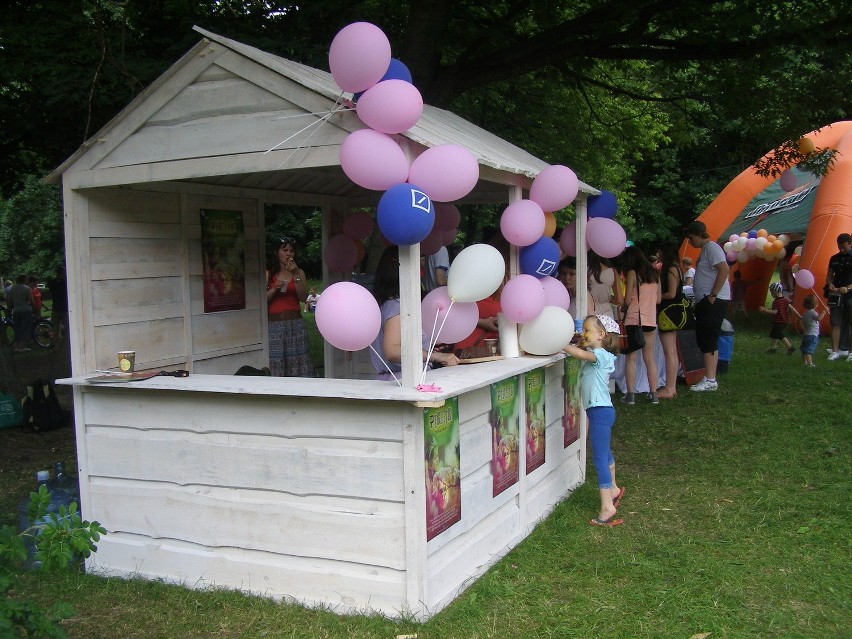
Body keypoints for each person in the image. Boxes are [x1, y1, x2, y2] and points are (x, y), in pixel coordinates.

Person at [563, 314, 624, 527]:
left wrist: (560, 343)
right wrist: (578, 340)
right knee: (605, 453)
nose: (584, 333)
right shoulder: (595, 352)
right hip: (600, 411)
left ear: (601, 334)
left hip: (600, 412)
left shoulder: (602, 355)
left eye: (588, 330)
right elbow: (582, 349)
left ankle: (607, 506)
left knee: (598, 458)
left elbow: (579, 353)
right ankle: (614, 489)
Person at [371, 246, 459, 380]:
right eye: (418, 263)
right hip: (404, 382)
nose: (421, 268)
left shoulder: (388, 303)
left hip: (401, 380)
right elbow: (391, 351)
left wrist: (430, 343)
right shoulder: (396, 306)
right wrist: (436, 356)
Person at [685, 221, 731, 392]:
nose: (690, 242)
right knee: (705, 336)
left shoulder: (712, 248)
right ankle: (709, 376)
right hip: (706, 299)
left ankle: (711, 379)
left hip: (712, 300)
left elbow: (724, 269)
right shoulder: (706, 250)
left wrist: (713, 295)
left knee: (709, 337)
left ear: (699, 234)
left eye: (691, 238)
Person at [619, 246, 661, 405]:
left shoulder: (632, 274)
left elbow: (628, 300)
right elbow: (658, 300)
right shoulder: (655, 274)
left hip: (634, 319)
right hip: (650, 319)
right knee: (650, 358)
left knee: (631, 358)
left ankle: (630, 395)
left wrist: (620, 304)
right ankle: (654, 393)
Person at [266, 237, 313, 377]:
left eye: (291, 251)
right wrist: (274, 289)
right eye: (284, 250)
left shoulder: (299, 272)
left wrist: (295, 274)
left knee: (298, 362)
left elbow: (303, 297)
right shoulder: (269, 273)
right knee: (278, 363)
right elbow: (262, 301)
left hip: (295, 324)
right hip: (275, 326)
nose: (288, 254)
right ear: (276, 252)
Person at [655, 243, 683, 399]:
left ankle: (669, 387)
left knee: (669, 350)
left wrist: (656, 298)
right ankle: (671, 386)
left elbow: (672, 293)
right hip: (672, 313)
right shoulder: (677, 268)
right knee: (671, 350)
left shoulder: (672, 269)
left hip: (669, 312)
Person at [825, 233, 852, 361]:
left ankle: (850, 352)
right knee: (835, 322)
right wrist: (830, 284)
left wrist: (848, 288)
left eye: (844, 248)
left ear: (850, 244)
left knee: (850, 322)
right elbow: (830, 274)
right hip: (836, 293)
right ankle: (835, 351)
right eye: (839, 247)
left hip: (850, 293)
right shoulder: (834, 258)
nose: (841, 250)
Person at [759, 282, 800, 353]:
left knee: (779, 334)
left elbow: (775, 312)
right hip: (785, 321)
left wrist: (765, 310)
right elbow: (792, 308)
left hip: (779, 321)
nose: (771, 294)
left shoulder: (776, 302)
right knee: (774, 334)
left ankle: (790, 347)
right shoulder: (786, 300)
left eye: (771, 292)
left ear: (775, 292)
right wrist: (798, 315)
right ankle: (773, 348)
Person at [587, 250, 622, 319]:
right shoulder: (613, 272)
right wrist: (608, 297)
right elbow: (620, 300)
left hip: (588, 314)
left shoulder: (584, 271)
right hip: (607, 315)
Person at [8, 274, 34, 352]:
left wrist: (10, 309)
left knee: (17, 328)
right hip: (26, 310)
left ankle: (16, 345)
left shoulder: (13, 288)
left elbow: (9, 301)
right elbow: (32, 301)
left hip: (16, 310)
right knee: (25, 328)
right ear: (25, 280)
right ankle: (22, 346)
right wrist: (32, 304)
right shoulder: (27, 288)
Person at [799, 294, 826, 367]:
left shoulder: (805, 313)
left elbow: (801, 322)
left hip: (806, 334)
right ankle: (810, 363)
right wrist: (824, 312)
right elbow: (819, 319)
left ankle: (804, 362)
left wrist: (804, 330)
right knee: (809, 350)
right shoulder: (813, 313)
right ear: (815, 304)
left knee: (804, 349)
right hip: (813, 335)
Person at [47, 266, 69, 349]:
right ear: (63, 273)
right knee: (67, 328)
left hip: (55, 308)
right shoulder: (65, 283)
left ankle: (57, 346)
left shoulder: (52, 283)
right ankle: (65, 345)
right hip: (64, 309)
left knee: (55, 329)